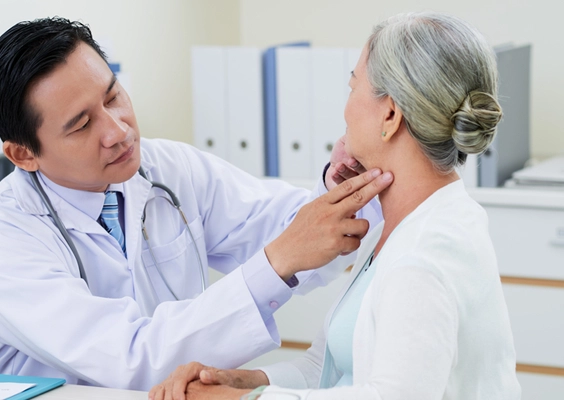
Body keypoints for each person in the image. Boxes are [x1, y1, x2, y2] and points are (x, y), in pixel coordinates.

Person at [0, 17, 391, 390]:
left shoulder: (167, 168)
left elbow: (291, 231)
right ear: (23, 154)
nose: (118, 131)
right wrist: (278, 260)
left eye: (112, 97)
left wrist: (341, 188)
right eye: (83, 124)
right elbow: (130, 361)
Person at [151, 12, 520, 400]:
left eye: (353, 85)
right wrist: (239, 381)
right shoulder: (398, 227)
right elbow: (326, 369)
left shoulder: (423, 255)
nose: (345, 108)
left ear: (390, 114)